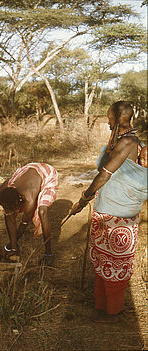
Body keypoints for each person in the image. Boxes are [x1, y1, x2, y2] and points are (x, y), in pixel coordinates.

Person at [70, 101, 147, 315]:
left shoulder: (128, 142)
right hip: (110, 209)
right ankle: (102, 304)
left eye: (109, 117)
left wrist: (84, 199)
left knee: (115, 260)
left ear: (118, 117)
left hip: (117, 214)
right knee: (104, 258)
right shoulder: (122, 140)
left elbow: (105, 174)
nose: (107, 121)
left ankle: (112, 310)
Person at [0, 162, 58, 264]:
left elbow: (24, 223)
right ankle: (13, 246)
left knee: (42, 211)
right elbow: (10, 220)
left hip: (47, 174)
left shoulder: (29, 198)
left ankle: (49, 254)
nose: (7, 211)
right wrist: (13, 248)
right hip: (29, 169)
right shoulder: (3, 191)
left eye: (10, 208)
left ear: (18, 203)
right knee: (8, 213)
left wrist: (12, 246)